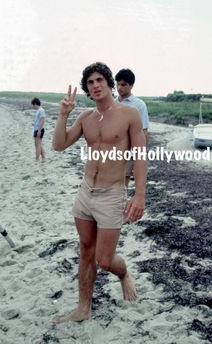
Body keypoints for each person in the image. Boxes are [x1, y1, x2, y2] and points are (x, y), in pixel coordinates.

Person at [52, 62, 147, 324]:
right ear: (87, 88)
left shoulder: (129, 114)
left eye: (99, 80)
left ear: (109, 82)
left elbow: (140, 156)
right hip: (85, 193)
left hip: (112, 193)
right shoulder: (85, 118)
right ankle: (84, 308)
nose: (95, 85)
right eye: (90, 82)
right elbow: (59, 145)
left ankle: (123, 273)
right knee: (85, 250)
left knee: (104, 260)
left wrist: (139, 195)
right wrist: (63, 115)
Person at [115, 69, 149, 186]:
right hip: (111, 151)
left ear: (131, 85)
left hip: (129, 151)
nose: (120, 87)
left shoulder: (139, 105)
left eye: (123, 84)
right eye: (118, 84)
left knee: (123, 186)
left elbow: (143, 132)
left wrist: (139, 160)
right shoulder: (112, 103)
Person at [31, 97, 46, 162]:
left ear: (35, 104)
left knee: (38, 145)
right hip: (36, 129)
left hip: (39, 129)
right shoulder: (38, 110)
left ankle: (37, 159)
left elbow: (42, 121)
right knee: (38, 144)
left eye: (32, 105)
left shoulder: (41, 110)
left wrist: (39, 131)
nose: (32, 106)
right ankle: (43, 157)